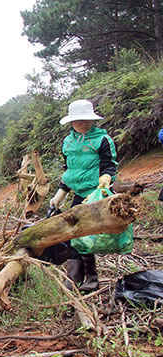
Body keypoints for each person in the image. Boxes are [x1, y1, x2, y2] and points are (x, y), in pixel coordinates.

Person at [49, 99, 117, 292]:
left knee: (84, 235)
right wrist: (59, 195)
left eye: (85, 120)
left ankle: (91, 277)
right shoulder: (68, 142)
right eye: (78, 120)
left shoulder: (102, 140)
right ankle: (75, 275)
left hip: (95, 193)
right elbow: (69, 171)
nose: (82, 123)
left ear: (92, 120)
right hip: (78, 194)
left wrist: (106, 177)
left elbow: (109, 164)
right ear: (71, 122)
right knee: (73, 233)